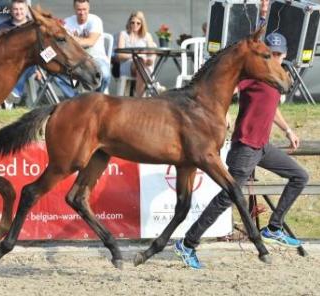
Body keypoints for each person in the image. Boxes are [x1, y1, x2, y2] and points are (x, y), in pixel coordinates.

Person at [174, 32, 309, 269]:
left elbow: (272, 107)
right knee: (226, 197)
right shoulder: (256, 72)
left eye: (279, 54)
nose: (275, 58)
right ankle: (187, 244)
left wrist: (288, 130)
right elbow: (225, 89)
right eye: (272, 53)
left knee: (300, 176)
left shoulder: (273, 77)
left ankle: (274, 227)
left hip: (263, 146)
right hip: (245, 146)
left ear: (285, 55)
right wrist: (224, 113)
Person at [56, 0, 110, 97]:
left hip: (95, 58)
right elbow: (60, 43)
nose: (82, 13)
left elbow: (90, 42)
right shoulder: (67, 22)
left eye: (84, 9)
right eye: (79, 10)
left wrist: (71, 39)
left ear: (89, 8)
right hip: (74, 61)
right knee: (58, 76)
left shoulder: (95, 20)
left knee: (105, 75)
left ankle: (96, 99)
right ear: (74, 9)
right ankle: (75, 100)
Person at [0, 0, 41, 109]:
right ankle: (7, 98)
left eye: (21, 9)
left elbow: (39, 50)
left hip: (29, 64)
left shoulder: (33, 27)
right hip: (5, 64)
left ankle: (12, 93)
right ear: (11, 11)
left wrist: (39, 68)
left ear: (26, 10)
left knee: (23, 63)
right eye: (15, 9)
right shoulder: (3, 27)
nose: (18, 12)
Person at [116, 11, 157, 97]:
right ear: (129, 22)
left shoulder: (147, 36)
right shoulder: (123, 34)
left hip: (143, 65)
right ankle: (151, 90)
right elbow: (120, 56)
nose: (135, 25)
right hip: (128, 64)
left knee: (141, 65)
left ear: (142, 24)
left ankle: (139, 98)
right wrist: (135, 55)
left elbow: (153, 52)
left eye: (138, 23)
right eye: (133, 22)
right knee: (140, 61)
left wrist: (151, 60)